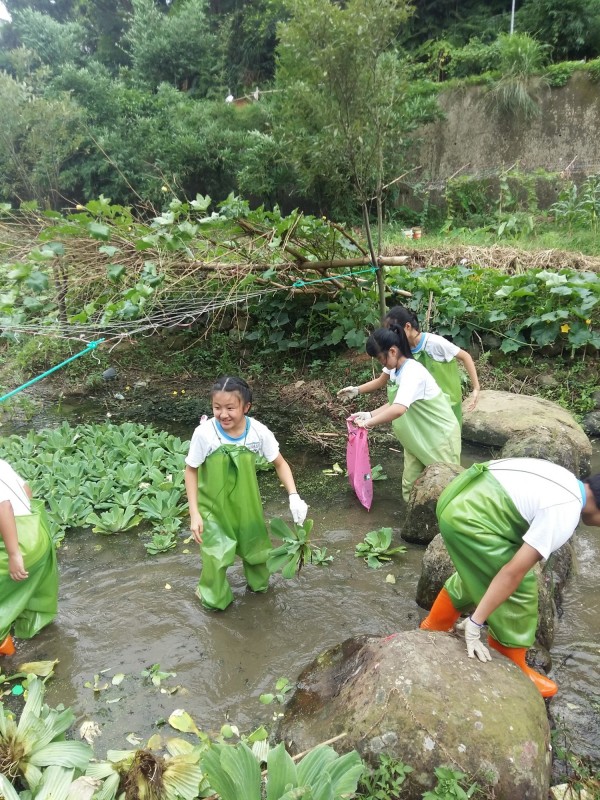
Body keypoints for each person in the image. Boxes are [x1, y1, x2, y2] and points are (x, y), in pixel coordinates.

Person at [420, 458, 600, 699]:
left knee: (481, 570)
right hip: (470, 518)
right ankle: (513, 666)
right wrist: (476, 623)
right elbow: (513, 572)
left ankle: (436, 624)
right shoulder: (565, 513)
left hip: (457, 497)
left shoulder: (565, 479)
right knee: (520, 589)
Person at [184, 376, 308, 611]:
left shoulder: (258, 432)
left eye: (230, 408)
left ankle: (260, 596)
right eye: (217, 408)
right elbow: (191, 470)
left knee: (258, 554)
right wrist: (194, 513)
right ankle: (214, 602)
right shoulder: (204, 434)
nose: (223, 415)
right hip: (213, 510)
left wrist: (293, 495)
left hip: (247, 508)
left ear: (246, 407)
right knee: (215, 557)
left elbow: (280, 463)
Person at [349, 325, 461, 502]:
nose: (381, 364)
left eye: (380, 359)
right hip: (416, 438)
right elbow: (395, 402)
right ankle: (414, 526)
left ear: (392, 351)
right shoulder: (395, 371)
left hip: (438, 438)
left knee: (448, 488)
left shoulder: (412, 372)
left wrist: (369, 423)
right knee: (411, 486)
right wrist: (369, 415)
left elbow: (399, 408)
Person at [338, 305, 480, 425]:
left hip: (444, 404)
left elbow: (465, 356)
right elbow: (382, 380)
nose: (391, 334)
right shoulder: (398, 354)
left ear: (407, 327)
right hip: (420, 406)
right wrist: (356, 390)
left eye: (393, 330)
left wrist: (476, 388)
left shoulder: (434, 343)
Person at [0, 459, 59, 656]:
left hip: (20, 545)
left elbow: (3, 506)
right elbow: (26, 490)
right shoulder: (2, 464)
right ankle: (38, 635)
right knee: (30, 592)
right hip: (37, 533)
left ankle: (7, 656)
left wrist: (14, 553)